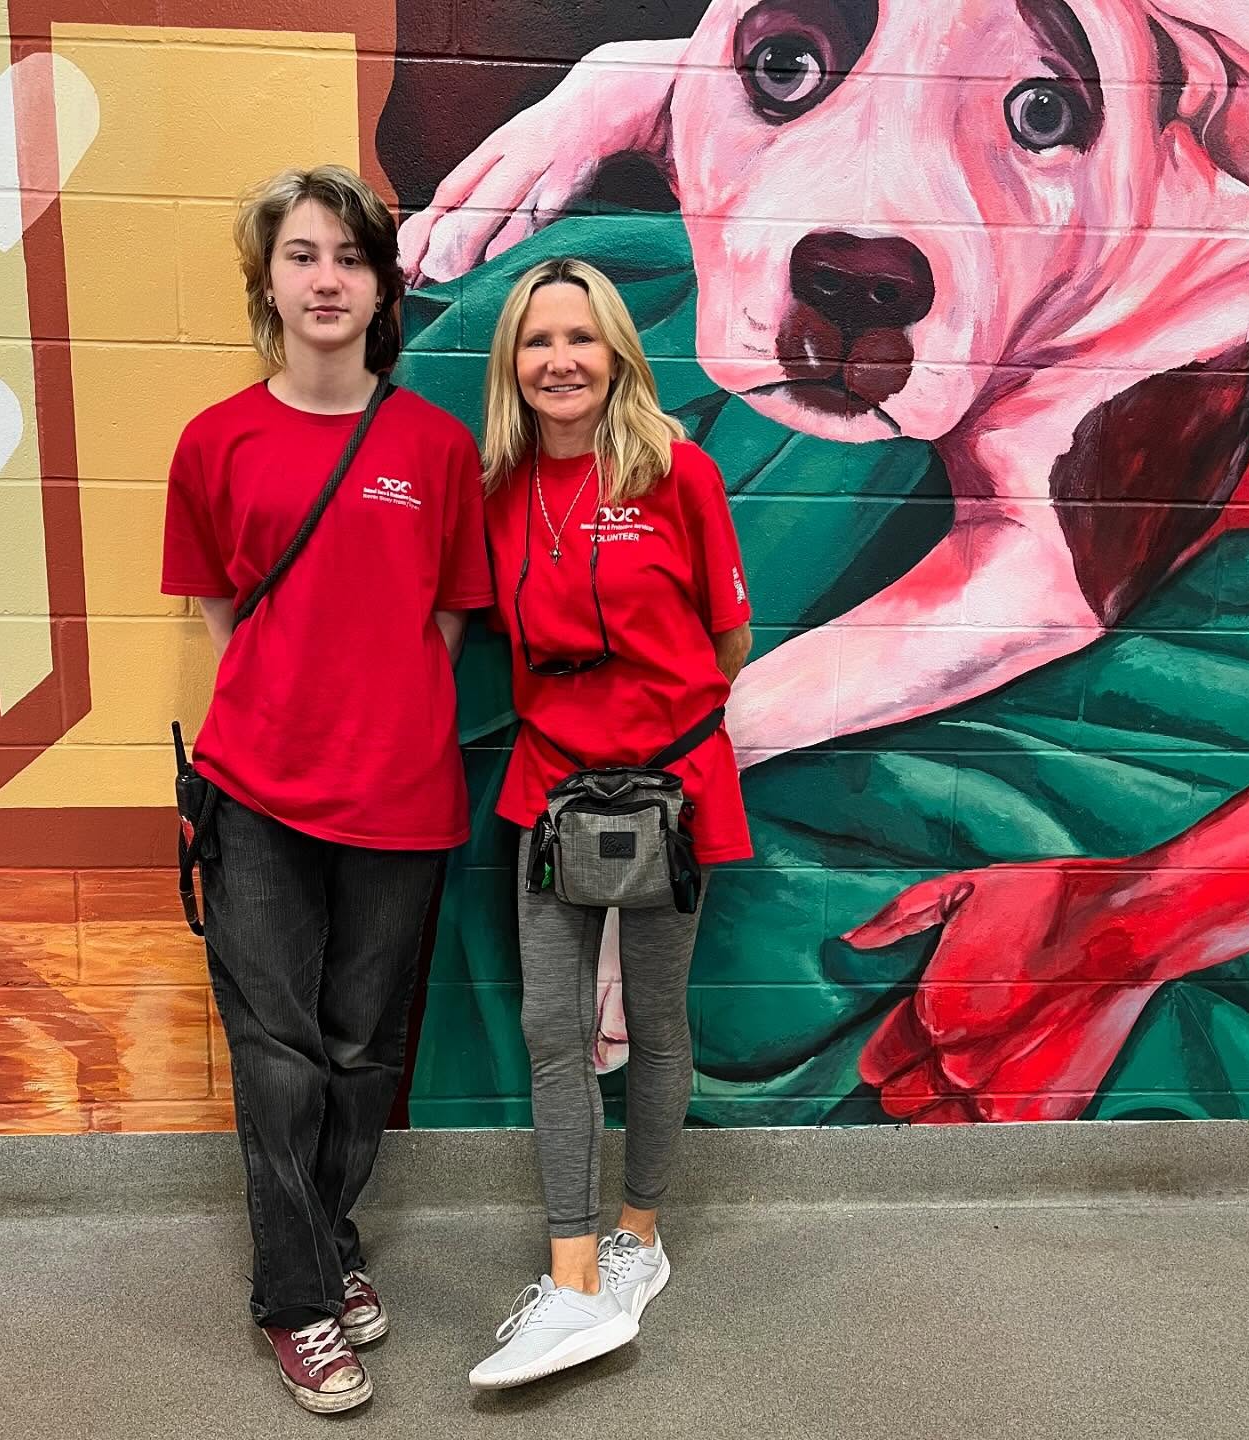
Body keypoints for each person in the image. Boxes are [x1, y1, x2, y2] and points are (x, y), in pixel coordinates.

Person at [159, 165, 492, 1414]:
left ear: (381, 287)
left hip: (401, 799)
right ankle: (296, 1298)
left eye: (349, 258)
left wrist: (382, 712)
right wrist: (293, 704)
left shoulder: (435, 446)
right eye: (302, 255)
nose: (326, 279)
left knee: (360, 1054)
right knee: (279, 1054)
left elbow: (449, 619)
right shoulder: (216, 441)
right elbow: (221, 612)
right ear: (270, 281)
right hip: (255, 791)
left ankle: (329, 1238)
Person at [469, 257, 753, 1390]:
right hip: (550, 792)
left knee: (661, 1019)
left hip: (671, 795)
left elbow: (728, 646)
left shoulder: (678, 472)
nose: (560, 361)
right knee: (553, 1030)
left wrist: (657, 727)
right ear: (514, 365)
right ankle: (574, 1280)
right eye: (538, 342)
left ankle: (640, 1237)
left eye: (581, 339)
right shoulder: (498, 489)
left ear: (617, 351)